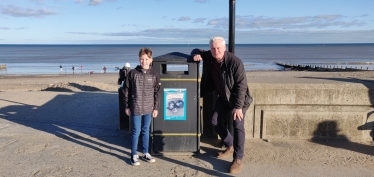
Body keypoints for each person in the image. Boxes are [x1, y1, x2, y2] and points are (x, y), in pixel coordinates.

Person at [191, 37, 252, 174]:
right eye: (213, 48)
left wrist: (238, 107)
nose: (216, 51)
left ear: (224, 48)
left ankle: (238, 158)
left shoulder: (235, 62)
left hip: (239, 99)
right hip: (224, 98)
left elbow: (242, 86)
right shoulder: (210, 56)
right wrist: (195, 54)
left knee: (238, 124)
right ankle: (230, 144)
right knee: (214, 121)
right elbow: (196, 50)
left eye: (218, 48)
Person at [123, 48, 161, 166]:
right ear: (139, 59)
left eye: (146, 59)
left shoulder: (154, 75)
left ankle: (145, 153)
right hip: (136, 107)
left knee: (146, 131)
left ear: (151, 60)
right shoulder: (132, 73)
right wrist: (126, 106)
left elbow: (157, 92)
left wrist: (156, 108)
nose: (144, 61)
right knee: (136, 131)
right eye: (141, 59)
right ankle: (133, 154)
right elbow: (126, 91)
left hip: (149, 108)